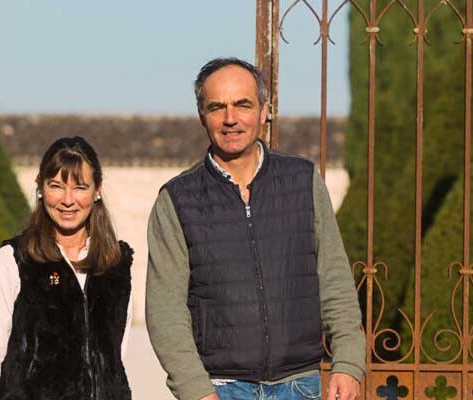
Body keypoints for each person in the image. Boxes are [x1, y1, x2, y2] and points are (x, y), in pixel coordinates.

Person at [146, 58, 365, 400]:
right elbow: (166, 309)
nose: (230, 118)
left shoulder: (303, 181)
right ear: (202, 116)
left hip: (301, 385)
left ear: (264, 110)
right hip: (220, 389)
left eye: (242, 105)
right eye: (217, 107)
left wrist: (349, 363)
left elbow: (334, 277)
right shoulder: (176, 200)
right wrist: (194, 390)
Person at [0, 136, 133, 400]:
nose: (68, 200)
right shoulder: (14, 260)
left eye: (80, 187)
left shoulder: (116, 264)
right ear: (40, 188)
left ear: (97, 190)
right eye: (56, 186)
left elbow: (117, 355)